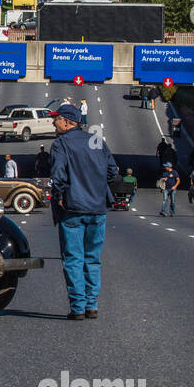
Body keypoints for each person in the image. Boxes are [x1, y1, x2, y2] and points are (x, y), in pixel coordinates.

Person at [49, 102, 118, 320]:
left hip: (73, 210)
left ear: (68, 122)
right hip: (98, 209)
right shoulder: (97, 141)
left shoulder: (61, 144)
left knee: (73, 259)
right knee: (93, 258)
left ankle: (78, 308)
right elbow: (112, 172)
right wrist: (96, 187)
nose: (53, 122)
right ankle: (92, 305)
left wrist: (61, 196)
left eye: (57, 118)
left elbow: (58, 176)